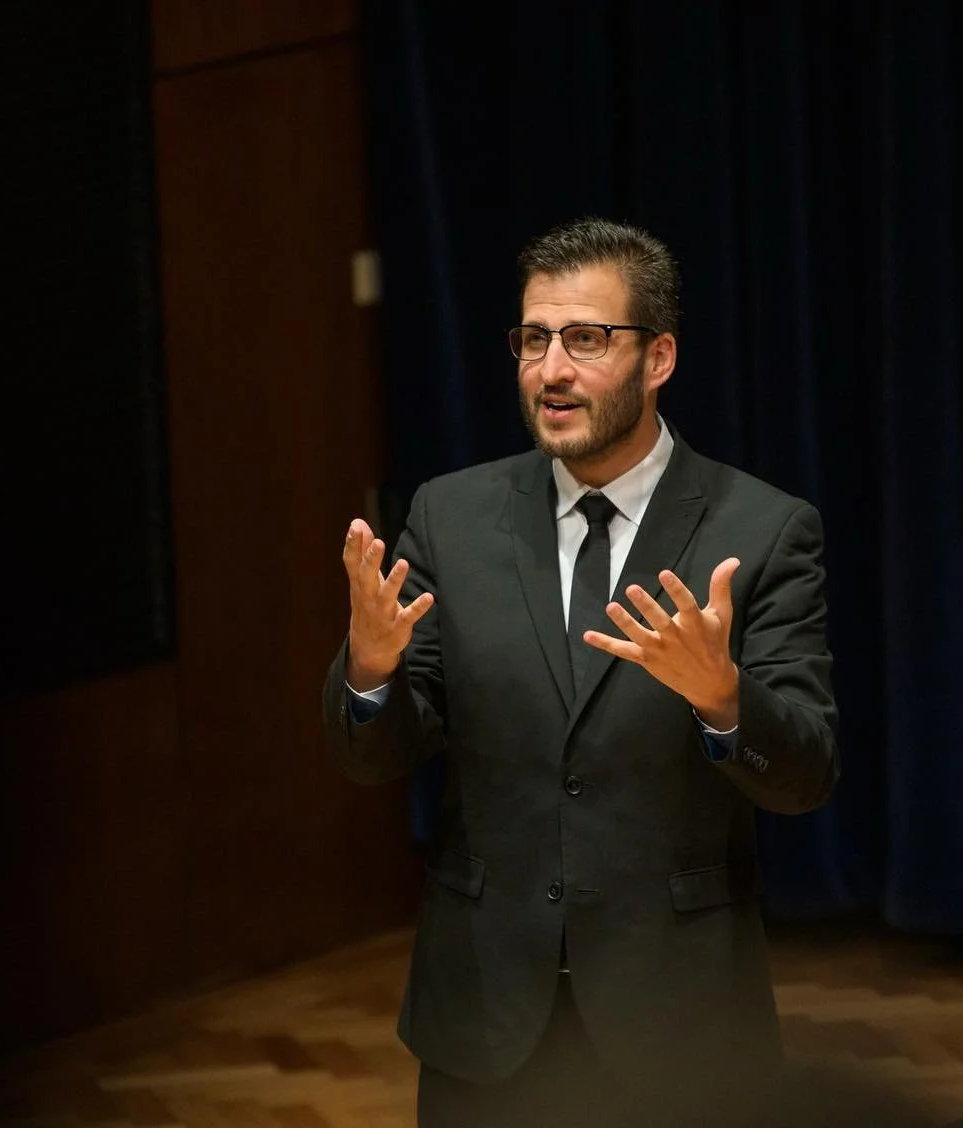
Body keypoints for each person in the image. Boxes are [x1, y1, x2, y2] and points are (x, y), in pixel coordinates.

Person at [322, 216, 839, 1127]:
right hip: (486, 1016)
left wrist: (724, 700)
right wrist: (368, 672)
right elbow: (377, 759)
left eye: (587, 340)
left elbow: (805, 776)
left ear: (660, 357)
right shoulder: (452, 517)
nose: (551, 370)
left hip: (678, 1026)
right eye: (534, 339)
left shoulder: (760, 530)